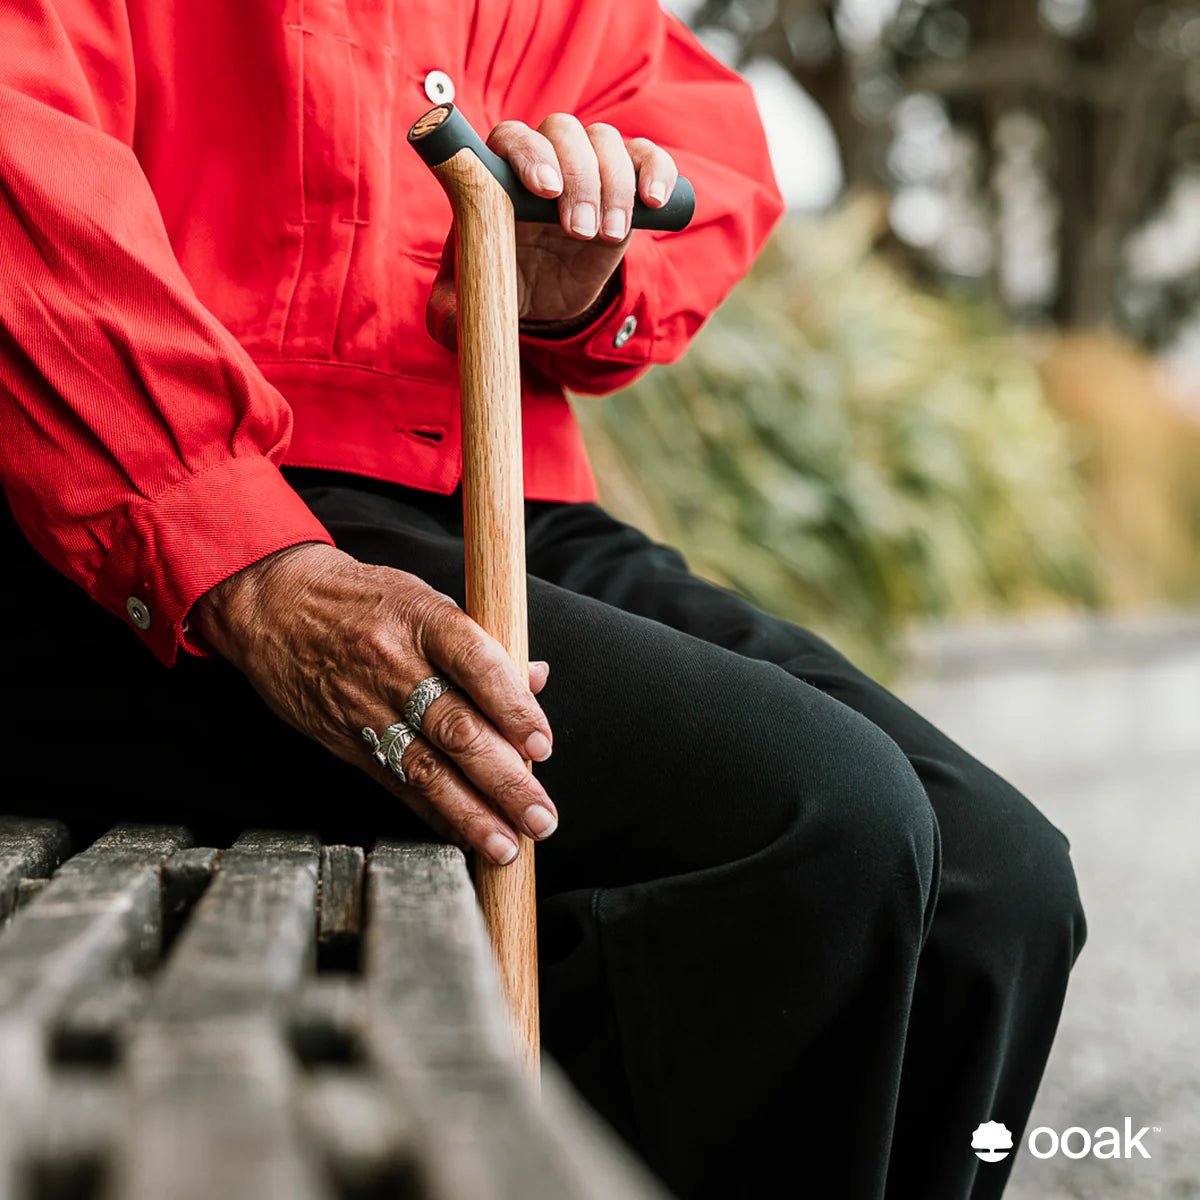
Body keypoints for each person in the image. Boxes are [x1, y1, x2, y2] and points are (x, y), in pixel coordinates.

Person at [0, 1, 1085, 1196]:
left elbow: (676, 113)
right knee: (811, 823)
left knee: (998, 882)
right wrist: (241, 552)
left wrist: (583, 266)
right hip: (137, 506)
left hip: (497, 475)